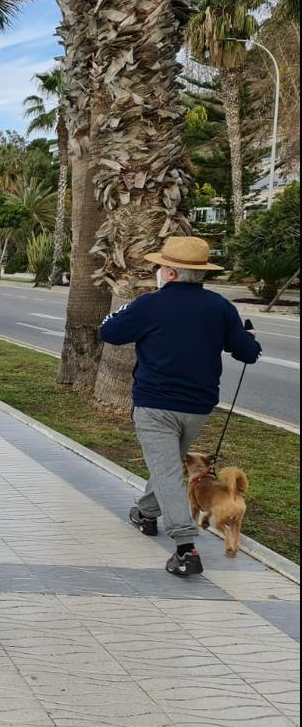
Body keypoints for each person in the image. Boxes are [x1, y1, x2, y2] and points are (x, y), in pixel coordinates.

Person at [99, 235, 260, 577]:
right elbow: (248, 353)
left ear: (170, 273)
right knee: (168, 468)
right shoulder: (221, 307)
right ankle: (145, 513)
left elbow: (109, 332)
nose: (157, 271)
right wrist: (249, 338)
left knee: (168, 472)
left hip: (155, 404)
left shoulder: (149, 305)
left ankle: (186, 549)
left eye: (159, 266)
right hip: (198, 407)